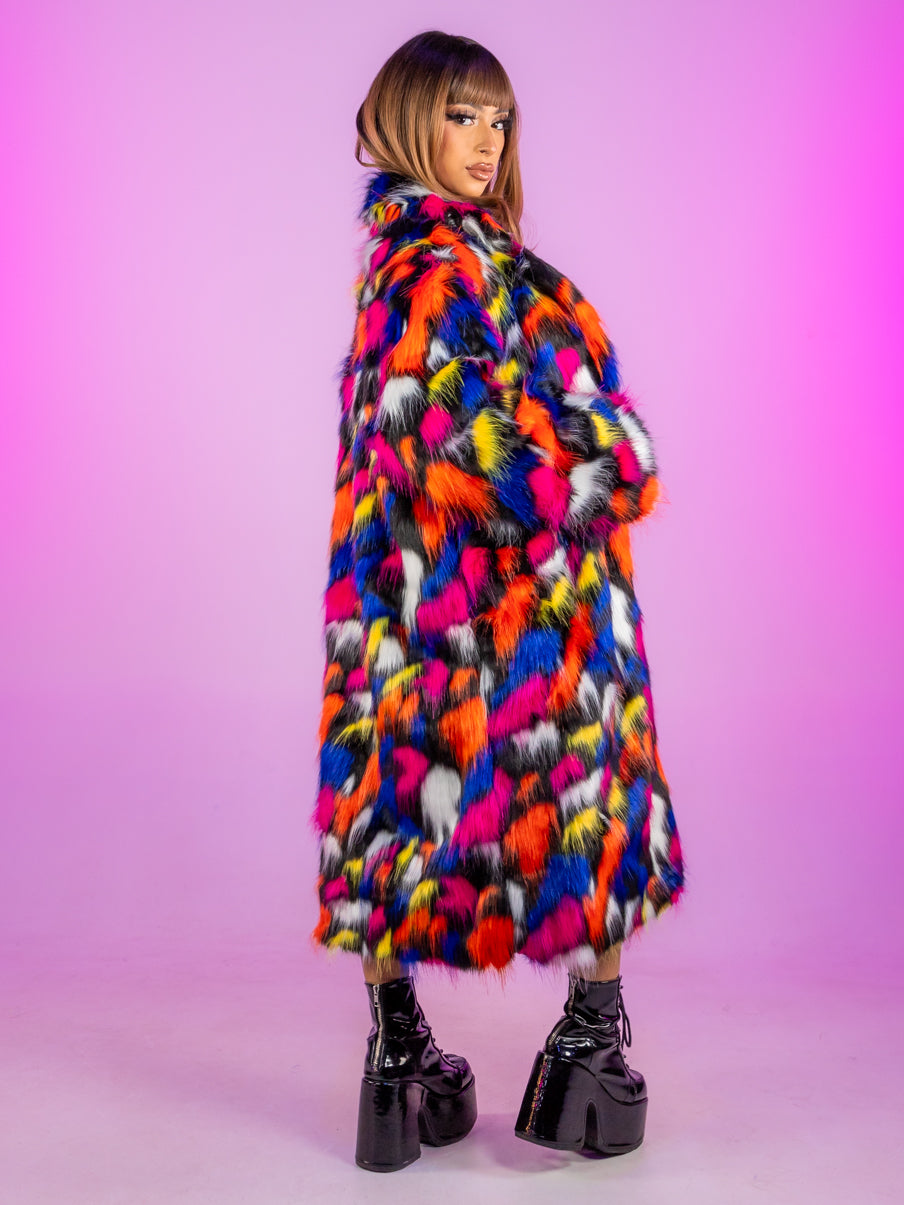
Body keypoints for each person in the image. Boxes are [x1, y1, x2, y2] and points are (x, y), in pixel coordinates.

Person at [311, 29, 686, 1171]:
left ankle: (400, 1061)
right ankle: (586, 1045)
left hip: (423, 611)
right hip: (505, 610)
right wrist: (608, 462)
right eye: (462, 115)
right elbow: (450, 438)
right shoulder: (435, 266)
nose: (485, 141)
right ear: (407, 119)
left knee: (396, 809)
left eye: (499, 119)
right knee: (581, 798)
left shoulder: (447, 259)